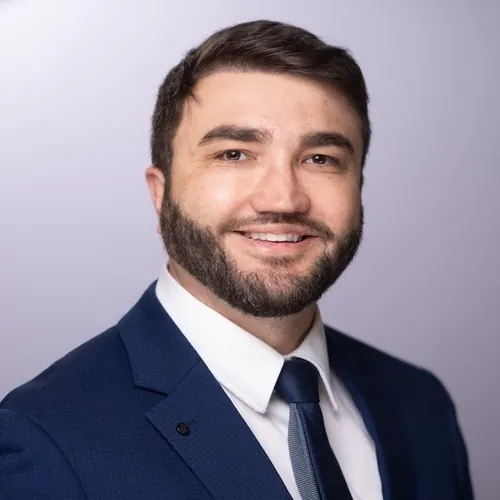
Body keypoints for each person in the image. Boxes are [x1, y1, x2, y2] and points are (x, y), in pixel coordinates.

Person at [0, 20, 474, 500]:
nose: (284, 199)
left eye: (320, 159)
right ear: (161, 195)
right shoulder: (44, 438)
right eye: (234, 154)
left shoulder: (421, 406)